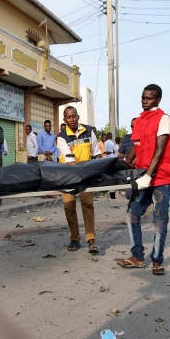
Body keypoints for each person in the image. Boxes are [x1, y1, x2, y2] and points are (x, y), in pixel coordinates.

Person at [118, 84, 170, 276]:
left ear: (158, 99)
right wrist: (124, 166)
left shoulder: (163, 119)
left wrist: (149, 176)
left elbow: (159, 150)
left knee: (159, 220)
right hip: (141, 175)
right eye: (143, 97)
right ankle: (137, 256)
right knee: (132, 214)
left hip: (161, 177)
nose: (145, 101)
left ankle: (157, 260)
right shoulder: (140, 120)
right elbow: (136, 146)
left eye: (149, 98)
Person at [57, 106, 101, 254]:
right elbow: (69, 159)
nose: (72, 119)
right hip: (67, 176)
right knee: (69, 206)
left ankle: (91, 240)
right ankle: (74, 239)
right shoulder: (61, 137)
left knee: (87, 205)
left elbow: (96, 154)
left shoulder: (89, 131)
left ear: (78, 117)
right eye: (68, 117)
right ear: (64, 120)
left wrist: (96, 173)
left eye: (74, 116)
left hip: (86, 176)